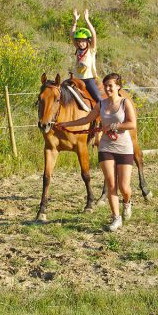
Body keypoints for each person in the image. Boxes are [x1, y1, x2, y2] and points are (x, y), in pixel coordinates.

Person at [57, 73, 136, 232]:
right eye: (106, 85)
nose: (107, 88)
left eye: (110, 86)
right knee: (111, 183)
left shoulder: (125, 103)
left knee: (124, 187)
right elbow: (86, 120)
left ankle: (127, 202)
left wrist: (114, 126)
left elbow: (132, 124)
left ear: (118, 87)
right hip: (106, 146)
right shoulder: (101, 104)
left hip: (124, 147)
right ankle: (116, 217)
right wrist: (66, 124)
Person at [71, 8, 103, 103]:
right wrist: (75, 21)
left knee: (99, 100)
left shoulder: (91, 49)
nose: (81, 43)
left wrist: (87, 20)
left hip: (88, 80)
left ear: (87, 41)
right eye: (79, 41)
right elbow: (72, 35)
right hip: (76, 79)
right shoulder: (77, 49)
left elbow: (93, 34)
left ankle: (103, 116)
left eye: (83, 41)